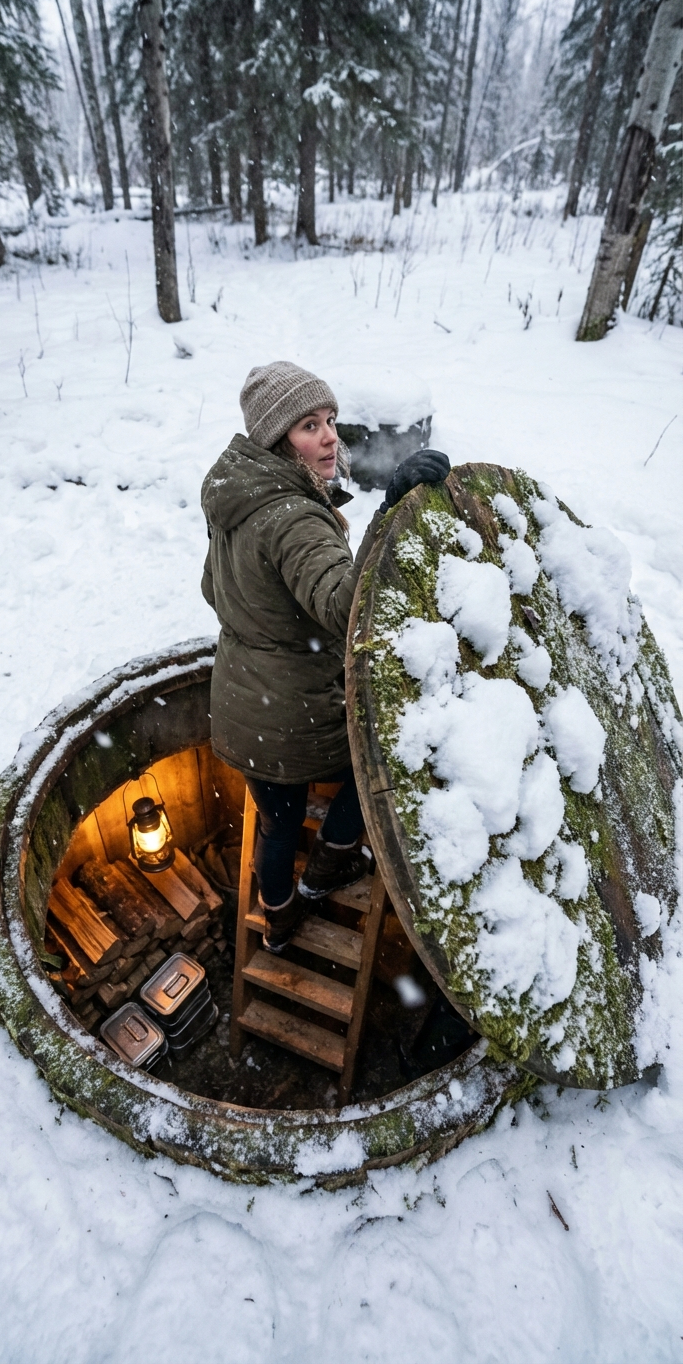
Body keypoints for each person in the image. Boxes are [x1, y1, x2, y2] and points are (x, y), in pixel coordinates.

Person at [201, 361, 450, 953]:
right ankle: (326, 873)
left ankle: (278, 921)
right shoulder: (293, 518)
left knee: (279, 823)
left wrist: (266, 623)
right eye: (309, 425)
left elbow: (213, 589)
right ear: (275, 439)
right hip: (294, 717)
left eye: (331, 419)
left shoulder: (239, 501)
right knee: (382, 771)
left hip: (243, 711)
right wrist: (391, 508)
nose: (331, 436)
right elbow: (346, 607)